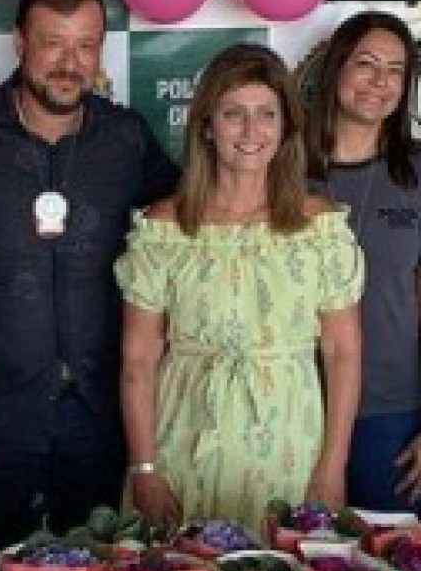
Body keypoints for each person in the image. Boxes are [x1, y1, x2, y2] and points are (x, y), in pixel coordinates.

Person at [0, 0, 177, 571]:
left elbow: (188, 222)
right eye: (52, 44)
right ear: (19, 43)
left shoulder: (126, 138)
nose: (69, 64)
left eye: (86, 46)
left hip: (96, 407)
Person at [116, 44, 363, 526]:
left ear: (286, 127)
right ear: (207, 126)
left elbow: (343, 352)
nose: (251, 132)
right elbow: (139, 358)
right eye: (234, 114)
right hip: (183, 435)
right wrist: (144, 467)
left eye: (266, 114)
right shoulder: (163, 228)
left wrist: (333, 465)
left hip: (291, 442)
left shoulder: (320, 228)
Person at [304, 12, 421, 513]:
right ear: (336, 69)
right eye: (367, 65)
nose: (380, 82)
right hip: (295, 403)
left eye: (396, 71)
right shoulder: (284, 167)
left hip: (391, 411)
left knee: (386, 567)